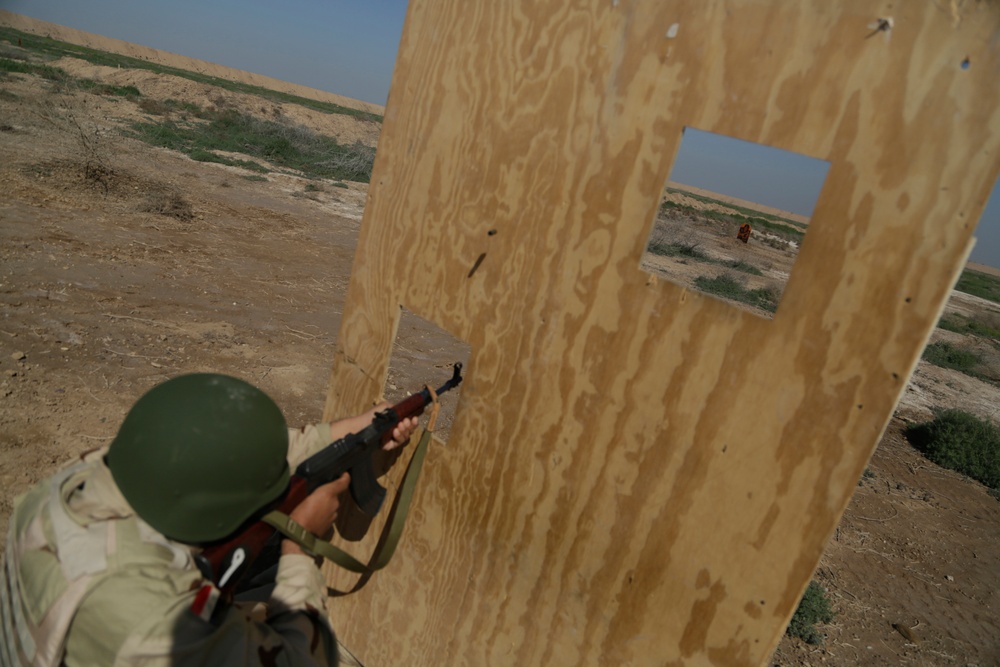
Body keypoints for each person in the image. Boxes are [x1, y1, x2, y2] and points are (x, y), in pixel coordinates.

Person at [1, 372, 418, 667]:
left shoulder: (85, 478)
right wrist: (300, 548)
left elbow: (236, 458)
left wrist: (350, 433)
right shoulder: (153, 620)